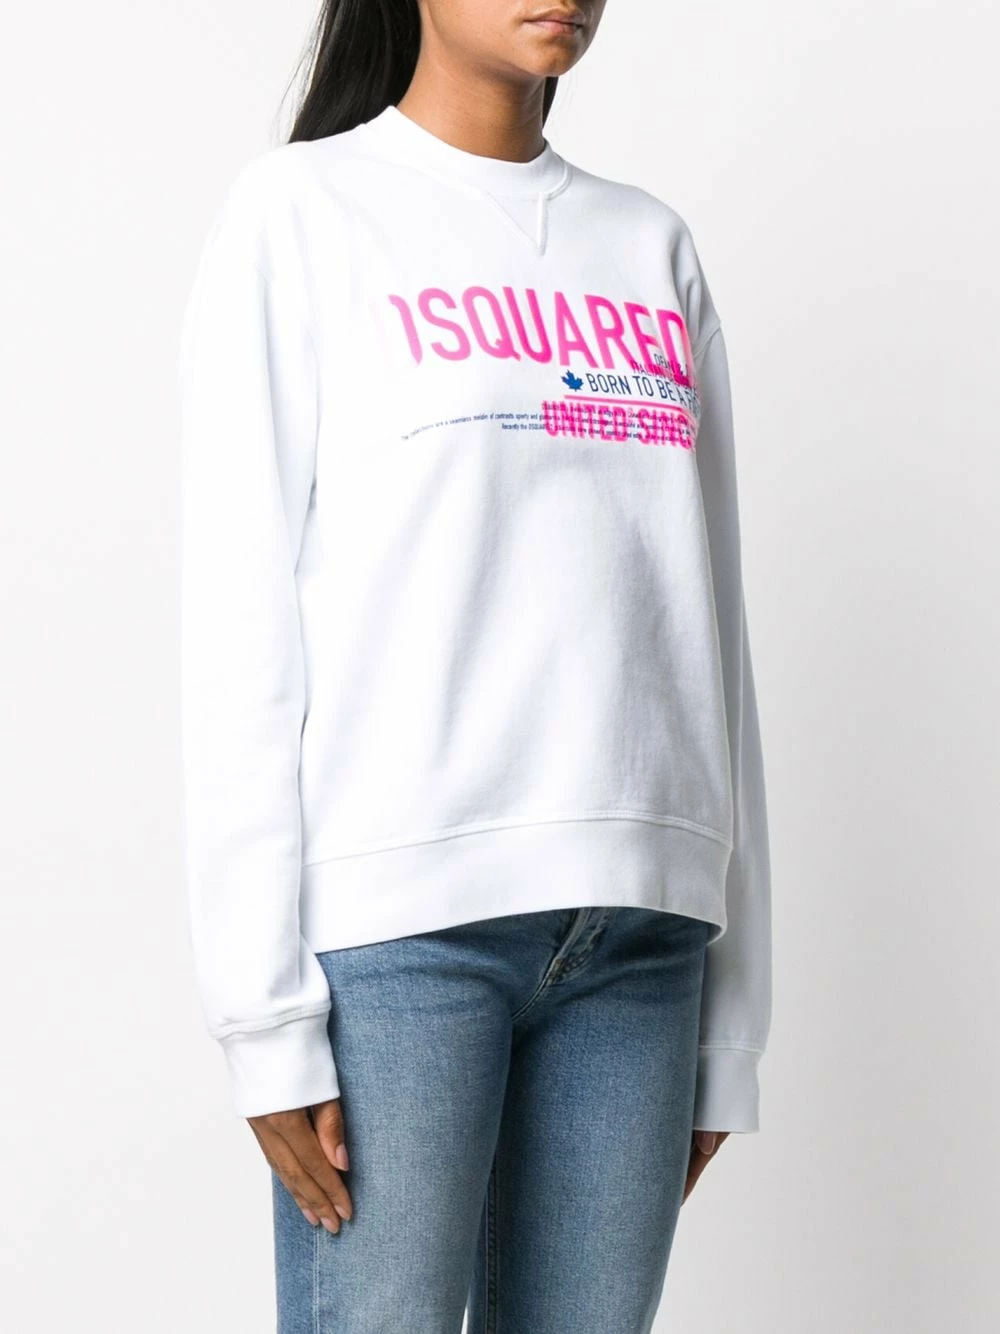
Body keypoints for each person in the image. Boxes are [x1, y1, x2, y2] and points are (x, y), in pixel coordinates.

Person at [177, 2, 773, 1330]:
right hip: (404, 936)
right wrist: (261, 1014)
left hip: (642, 940)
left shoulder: (650, 246)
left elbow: (712, 636)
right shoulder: (302, 215)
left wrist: (733, 1028)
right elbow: (240, 629)